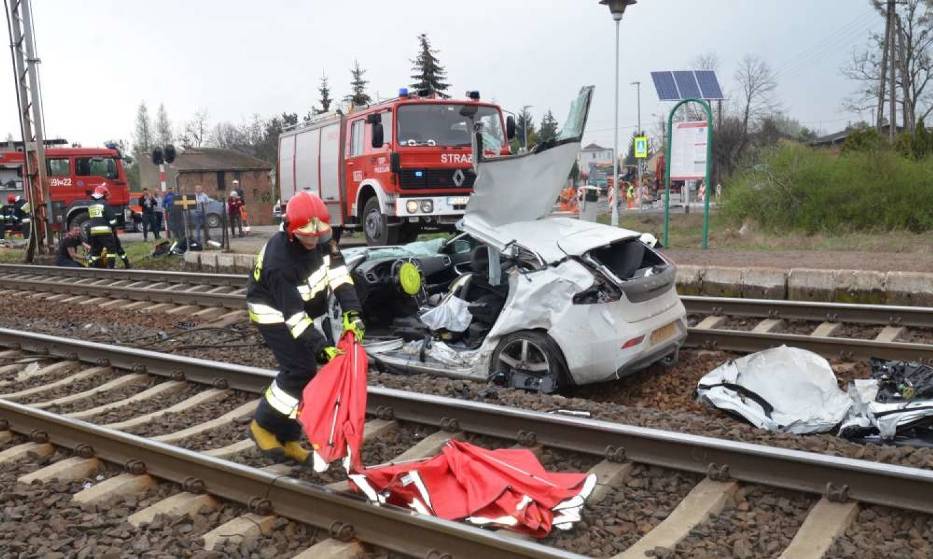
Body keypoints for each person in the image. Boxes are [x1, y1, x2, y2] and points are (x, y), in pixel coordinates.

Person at [246, 191, 365, 463]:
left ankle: (287, 437)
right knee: (299, 369)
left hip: (304, 311)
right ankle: (262, 425)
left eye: (319, 232)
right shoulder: (280, 263)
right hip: (273, 313)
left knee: (305, 375)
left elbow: (339, 275)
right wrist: (322, 348)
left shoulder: (323, 238)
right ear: (291, 231)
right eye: (306, 234)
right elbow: (295, 318)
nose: (314, 239)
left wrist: (353, 313)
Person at [87, 184, 130, 268]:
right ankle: (111, 268)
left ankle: (95, 268)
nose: (107, 197)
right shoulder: (104, 204)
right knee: (111, 250)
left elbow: (93, 219)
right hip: (105, 232)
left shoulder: (91, 205)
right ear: (102, 194)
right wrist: (114, 226)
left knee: (95, 252)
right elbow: (112, 219)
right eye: (105, 194)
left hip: (93, 233)